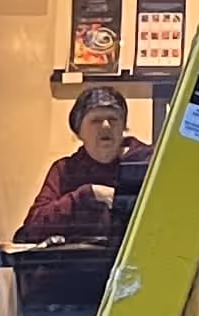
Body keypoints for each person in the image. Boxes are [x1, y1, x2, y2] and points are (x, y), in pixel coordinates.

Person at [15, 85, 152, 247]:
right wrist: (86, 195)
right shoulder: (65, 169)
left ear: (123, 127)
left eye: (114, 119)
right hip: (78, 267)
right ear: (79, 131)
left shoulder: (147, 162)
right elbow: (32, 227)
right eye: (96, 120)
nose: (106, 126)